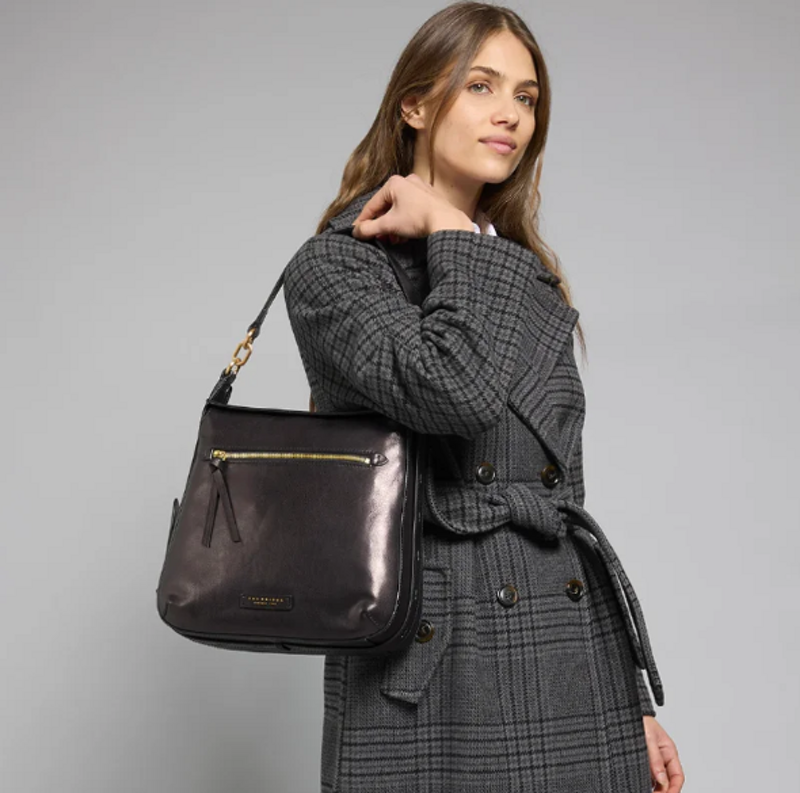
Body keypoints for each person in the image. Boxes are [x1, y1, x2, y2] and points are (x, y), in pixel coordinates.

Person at [282, 3, 684, 791]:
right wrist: (450, 231)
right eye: (481, 86)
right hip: (434, 660)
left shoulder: (523, 276)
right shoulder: (337, 269)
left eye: (526, 97)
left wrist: (630, 703)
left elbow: (564, 501)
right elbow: (454, 392)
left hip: (569, 655)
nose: (511, 114)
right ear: (415, 105)